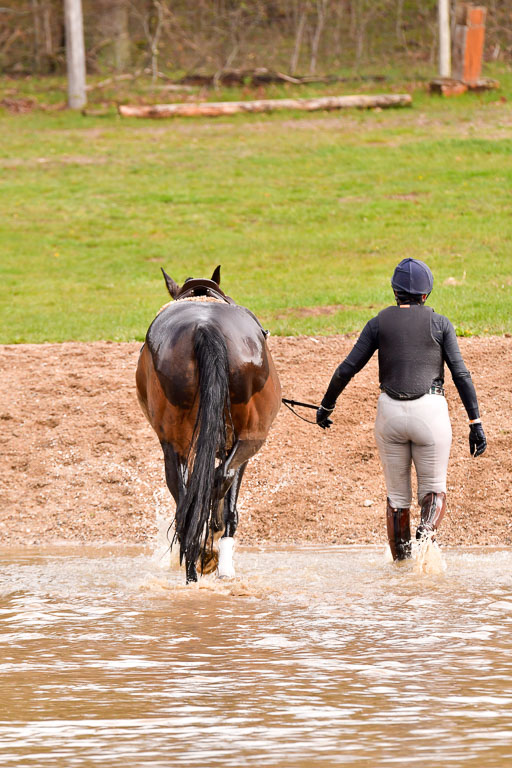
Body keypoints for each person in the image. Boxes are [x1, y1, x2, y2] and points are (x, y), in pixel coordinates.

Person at [316, 258, 487, 561]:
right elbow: (461, 374)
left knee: (397, 499)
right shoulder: (440, 323)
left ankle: (401, 568)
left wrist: (326, 406)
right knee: (433, 490)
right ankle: (426, 533)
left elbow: (346, 370)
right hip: (430, 412)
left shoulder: (379, 322)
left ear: (395, 292)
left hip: (389, 414)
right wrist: (475, 422)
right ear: (426, 294)